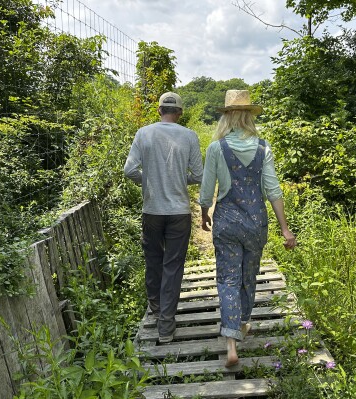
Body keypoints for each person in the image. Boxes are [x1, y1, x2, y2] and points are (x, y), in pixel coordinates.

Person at [199, 89, 297, 367]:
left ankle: (231, 343)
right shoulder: (263, 147)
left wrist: (204, 213)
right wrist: (285, 228)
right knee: (249, 274)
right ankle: (241, 323)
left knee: (228, 277)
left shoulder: (216, 148)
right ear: (249, 116)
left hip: (227, 221)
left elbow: (208, 189)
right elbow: (273, 190)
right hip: (256, 222)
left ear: (227, 117)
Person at [124, 92, 203, 343]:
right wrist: (180, 178)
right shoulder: (189, 136)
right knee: (173, 265)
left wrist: (148, 181)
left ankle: (157, 310)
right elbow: (199, 175)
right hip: (179, 212)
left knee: (153, 260)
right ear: (179, 113)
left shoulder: (143, 133)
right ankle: (167, 326)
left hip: (152, 210)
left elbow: (129, 170)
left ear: (159, 110)